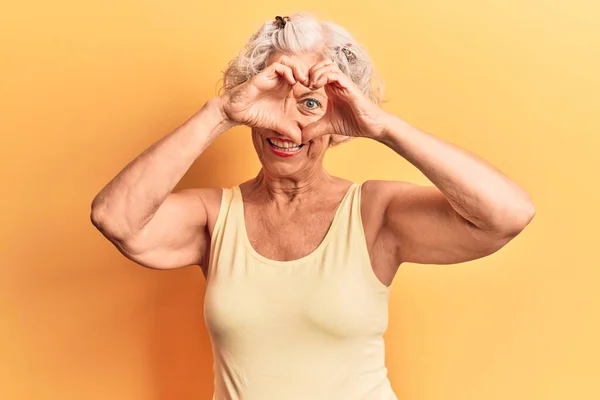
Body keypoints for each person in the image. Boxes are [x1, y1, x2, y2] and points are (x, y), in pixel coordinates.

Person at [90, 13, 535, 400]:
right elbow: (116, 218)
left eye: (309, 103)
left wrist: (383, 127)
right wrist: (222, 112)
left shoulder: (374, 213)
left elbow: (507, 215)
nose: (288, 124)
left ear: (342, 116)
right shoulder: (214, 217)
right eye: (273, 95)